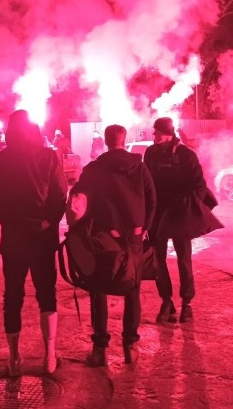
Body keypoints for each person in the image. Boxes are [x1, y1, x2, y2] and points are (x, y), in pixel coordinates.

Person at [0, 110, 68, 376]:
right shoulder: (48, 157)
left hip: (14, 238)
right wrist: (49, 221)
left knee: (13, 296)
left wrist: (7, 220)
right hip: (43, 238)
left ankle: (13, 359)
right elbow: (60, 195)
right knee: (47, 294)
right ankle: (49, 357)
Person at [70, 124, 156, 366]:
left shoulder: (94, 169)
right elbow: (152, 198)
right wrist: (145, 225)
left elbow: (78, 199)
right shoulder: (139, 166)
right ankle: (130, 346)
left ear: (106, 141)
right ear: (123, 139)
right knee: (133, 288)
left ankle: (100, 350)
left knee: (98, 288)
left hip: (103, 238)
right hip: (134, 237)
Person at [143, 116, 212, 324]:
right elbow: (146, 183)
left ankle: (187, 304)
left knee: (184, 260)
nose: (153, 136)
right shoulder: (151, 153)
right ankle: (166, 302)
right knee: (157, 261)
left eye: (156, 132)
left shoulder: (186, 155)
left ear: (167, 134)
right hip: (157, 215)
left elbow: (200, 186)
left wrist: (190, 209)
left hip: (180, 214)